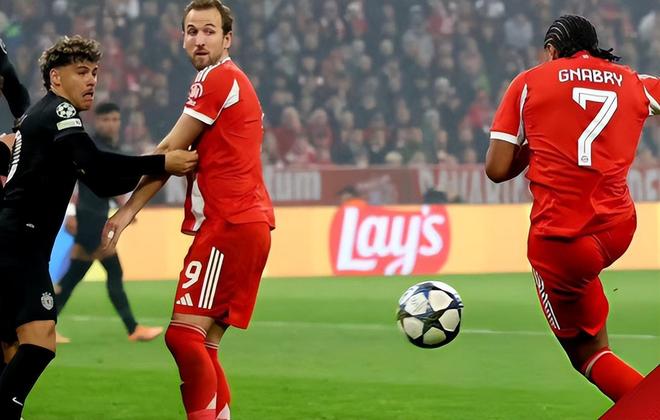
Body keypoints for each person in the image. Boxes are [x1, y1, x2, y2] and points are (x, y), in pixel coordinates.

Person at [0, 35, 198, 419]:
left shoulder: (37, 114)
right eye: (81, 72)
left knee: (11, 348)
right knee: (40, 342)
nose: (91, 80)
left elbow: (101, 181)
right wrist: (161, 163)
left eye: (94, 72)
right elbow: (99, 168)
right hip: (19, 243)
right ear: (56, 78)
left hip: (13, 242)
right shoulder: (60, 111)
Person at [103, 2, 275, 419]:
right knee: (205, 343)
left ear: (227, 39)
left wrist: (125, 211)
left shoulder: (216, 78)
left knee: (182, 336)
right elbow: (177, 158)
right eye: (191, 31)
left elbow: (168, 150)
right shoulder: (230, 80)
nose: (199, 39)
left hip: (229, 223)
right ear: (181, 37)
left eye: (209, 31)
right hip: (248, 223)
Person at [486, 15, 660, 403]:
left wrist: (535, 143)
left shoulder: (529, 82)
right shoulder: (631, 81)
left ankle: (648, 408)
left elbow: (497, 169)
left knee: (590, 355)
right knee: (588, 306)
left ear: (551, 50)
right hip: (618, 229)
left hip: (563, 240)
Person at [54, 102, 164, 343]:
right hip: (89, 219)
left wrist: (126, 208)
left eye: (115, 119)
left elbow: (107, 183)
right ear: (97, 122)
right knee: (110, 271)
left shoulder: (110, 147)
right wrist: (70, 212)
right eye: (106, 120)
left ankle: (44, 326)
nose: (111, 124)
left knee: (73, 277)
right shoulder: (89, 146)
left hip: (96, 218)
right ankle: (133, 328)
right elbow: (71, 180)